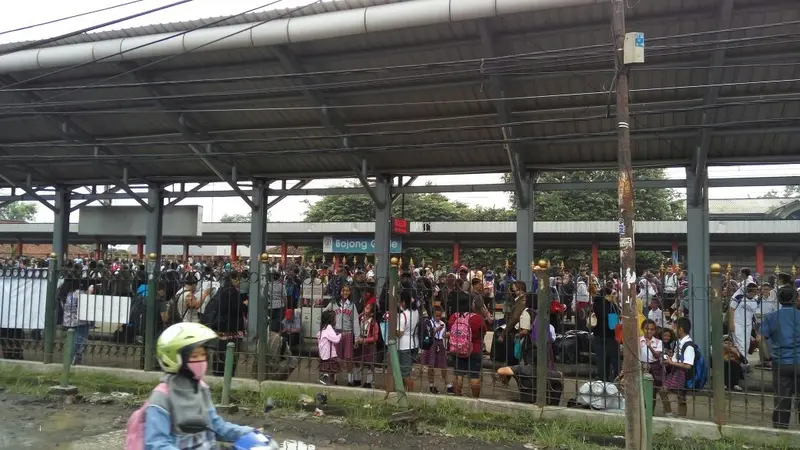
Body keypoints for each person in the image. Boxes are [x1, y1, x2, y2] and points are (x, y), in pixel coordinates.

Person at [144, 322, 255, 448]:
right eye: (194, 356)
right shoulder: (161, 397)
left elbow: (217, 426)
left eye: (203, 355)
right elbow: (157, 444)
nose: (201, 360)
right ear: (175, 359)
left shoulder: (201, 388)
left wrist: (250, 433)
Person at [758, 285, 800, 429]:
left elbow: (760, 339)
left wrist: (767, 356)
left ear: (779, 300)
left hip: (781, 362)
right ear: (796, 299)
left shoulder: (771, 317)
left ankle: (781, 431)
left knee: (782, 399)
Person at [323, 284, 360, 386]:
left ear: (350, 292)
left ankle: (350, 380)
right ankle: (334, 379)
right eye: (343, 291)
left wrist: (357, 337)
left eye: (347, 291)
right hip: (336, 333)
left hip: (348, 333)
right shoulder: (334, 303)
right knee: (336, 357)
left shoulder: (352, 305)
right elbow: (325, 313)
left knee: (348, 358)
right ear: (340, 292)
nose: (345, 293)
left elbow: (355, 321)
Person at [662, 317, 695, 418]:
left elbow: (688, 365)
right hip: (676, 371)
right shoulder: (679, 342)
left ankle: (678, 417)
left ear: (680, 329)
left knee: (679, 396)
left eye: (674, 329)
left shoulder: (688, 346)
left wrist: (671, 363)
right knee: (679, 396)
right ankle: (674, 415)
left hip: (681, 373)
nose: (673, 331)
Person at [317, 310, 342, 385]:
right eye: (334, 318)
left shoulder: (323, 328)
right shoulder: (329, 327)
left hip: (324, 354)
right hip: (330, 354)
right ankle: (329, 384)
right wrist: (341, 334)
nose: (335, 320)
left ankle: (326, 380)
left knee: (327, 371)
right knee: (331, 372)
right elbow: (336, 340)